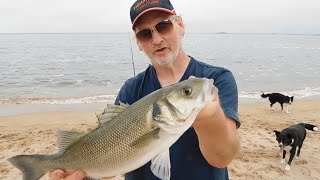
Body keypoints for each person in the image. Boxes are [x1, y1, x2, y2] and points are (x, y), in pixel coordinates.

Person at [49, 0, 240, 179]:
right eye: (145, 34)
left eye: (163, 26)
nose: (156, 39)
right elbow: (112, 157)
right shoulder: (131, 89)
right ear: (138, 43)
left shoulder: (217, 79)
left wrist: (211, 118)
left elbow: (222, 158)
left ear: (180, 25)